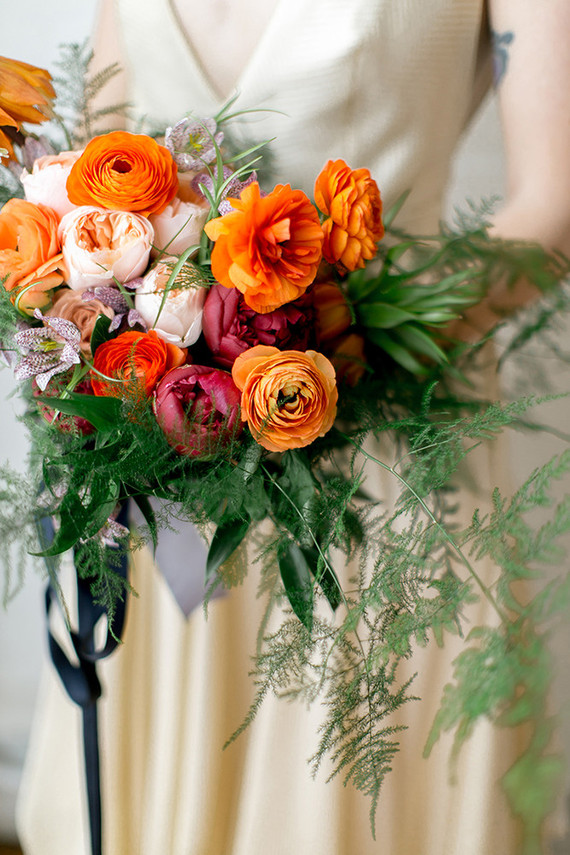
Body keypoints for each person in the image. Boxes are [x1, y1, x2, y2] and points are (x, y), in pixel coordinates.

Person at [16, 1, 570, 853]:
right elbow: (104, 151)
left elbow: (557, 205)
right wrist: (114, 329)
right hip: (167, 469)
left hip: (383, 468)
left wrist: (329, 341)